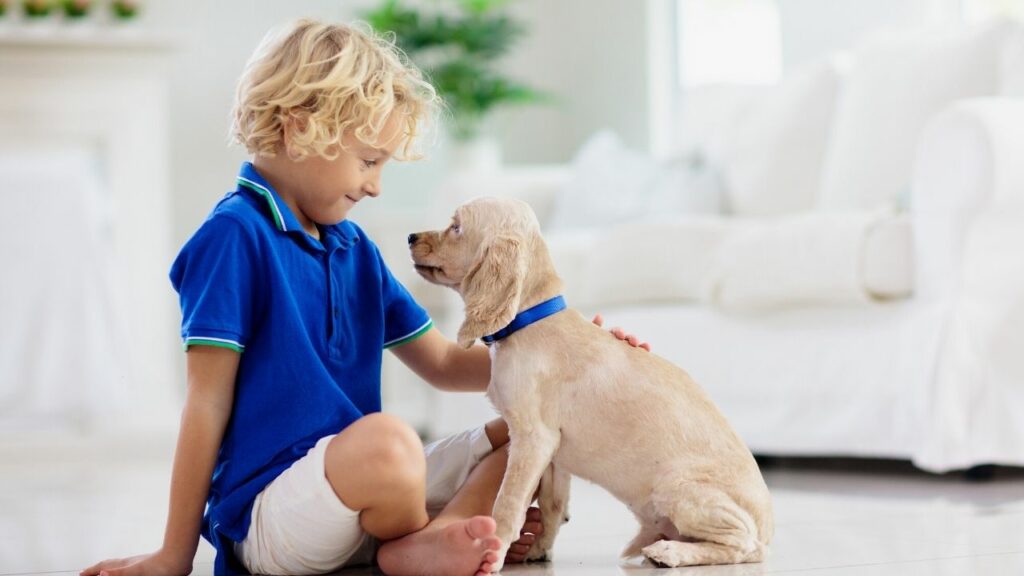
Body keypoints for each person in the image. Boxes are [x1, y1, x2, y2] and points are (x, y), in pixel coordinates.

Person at [82, 18, 649, 576]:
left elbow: (447, 363)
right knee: (390, 441)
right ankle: (419, 542)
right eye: (370, 160)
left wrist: (574, 357)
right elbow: (205, 404)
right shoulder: (233, 237)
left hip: (363, 497)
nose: (376, 185)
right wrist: (173, 557)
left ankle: (429, 537)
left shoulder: (353, 248)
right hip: (275, 516)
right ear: (299, 128)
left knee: (523, 435)